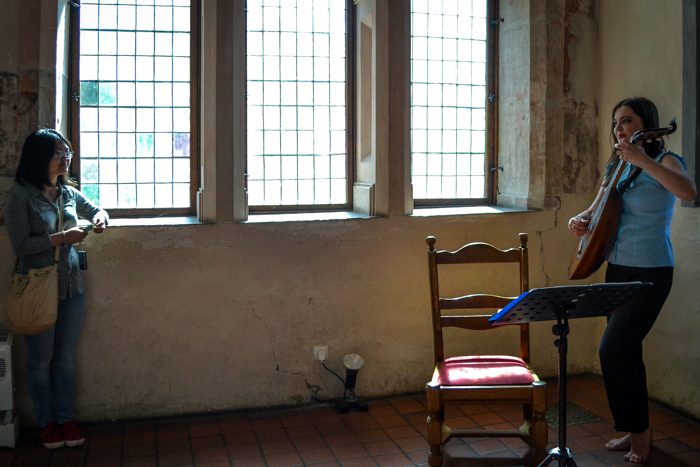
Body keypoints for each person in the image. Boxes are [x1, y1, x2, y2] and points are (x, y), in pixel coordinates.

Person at [568, 97, 697, 464]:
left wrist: (642, 160)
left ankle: (640, 435)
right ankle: (633, 428)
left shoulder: (665, 161)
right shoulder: (616, 167)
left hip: (651, 272)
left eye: (626, 121)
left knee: (613, 349)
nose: (618, 129)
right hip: (617, 270)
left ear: (646, 125)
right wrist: (578, 221)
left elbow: (687, 192)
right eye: (615, 123)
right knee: (626, 352)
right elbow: (592, 212)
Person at [4, 129, 108, 449]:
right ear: (40, 158)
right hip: (37, 287)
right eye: (59, 153)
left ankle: (66, 419)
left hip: (71, 288)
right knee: (39, 362)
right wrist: (63, 239)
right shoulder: (20, 196)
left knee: (64, 359)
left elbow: (95, 209)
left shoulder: (66, 192)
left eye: (68, 153)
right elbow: (21, 245)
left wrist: (101, 218)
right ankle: (46, 424)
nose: (66, 158)